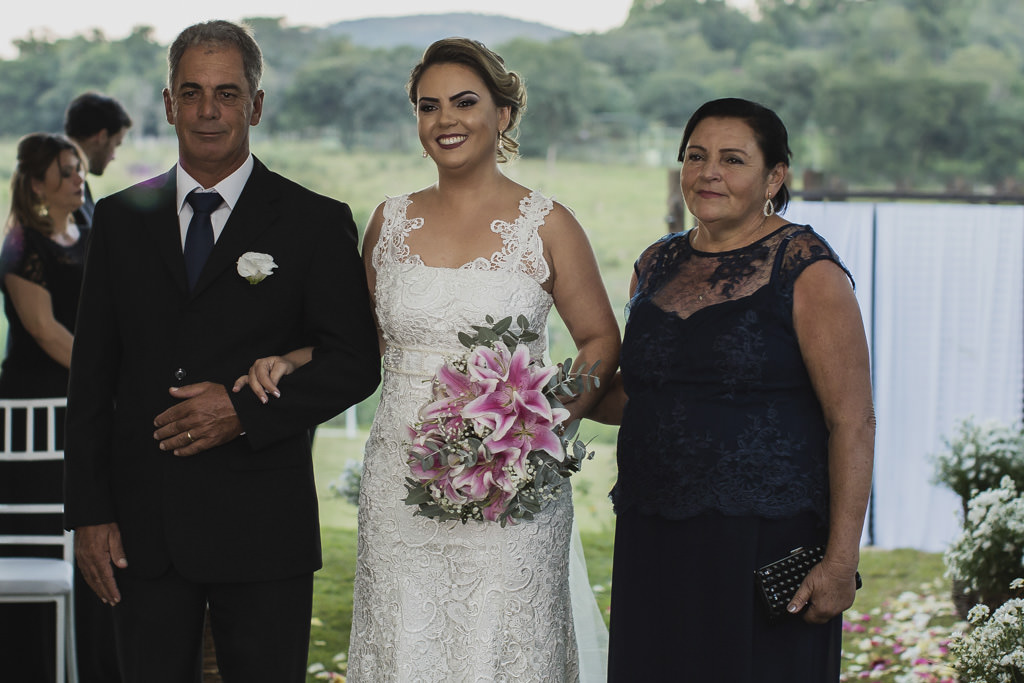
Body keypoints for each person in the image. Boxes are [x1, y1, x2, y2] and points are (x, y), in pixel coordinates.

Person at [237, 37, 620, 682]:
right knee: (405, 641)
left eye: (465, 103)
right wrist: (292, 360)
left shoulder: (548, 224)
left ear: (503, 114)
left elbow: (600, 340)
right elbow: (362, 340)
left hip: (514, 487)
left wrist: (542, 426)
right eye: (428, 106)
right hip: (402, 481)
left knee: (508, 644)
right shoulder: (390, 222)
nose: (445, 120)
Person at [63, 20, 380, 683]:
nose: (209, 111)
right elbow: (92, 377)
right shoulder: (121, 219)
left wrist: (244, 411)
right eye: (193, 92)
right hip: (142, 532)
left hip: (263, 528)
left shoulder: (314, 221)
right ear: (169, 102)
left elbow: (353, 360)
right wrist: (90, 514)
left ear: (256, 105)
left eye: (228, 93)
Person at [592, 98, 874, 681]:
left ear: (775, 177)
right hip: (653, 531)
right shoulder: (655, 263)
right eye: (695, 156)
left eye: (732, 159)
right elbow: (644, 392)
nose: (708, 172)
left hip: (762, 540)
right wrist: (534, 402)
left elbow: (852, 420)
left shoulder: (808, 269)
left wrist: (842, 559)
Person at [0, 132, 86, 683]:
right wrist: (111, 379)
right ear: (36, 184)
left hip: (81, 402)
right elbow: (47, 332)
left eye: (80, 168)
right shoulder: (20, 247)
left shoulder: (90, 228)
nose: (80, 178)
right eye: (65, 171)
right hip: (35, 408)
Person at [63, 92, 132, 228]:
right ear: (102, 137)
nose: (113, 157)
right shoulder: (65, 190)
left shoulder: (77, 185)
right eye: (115, 145)